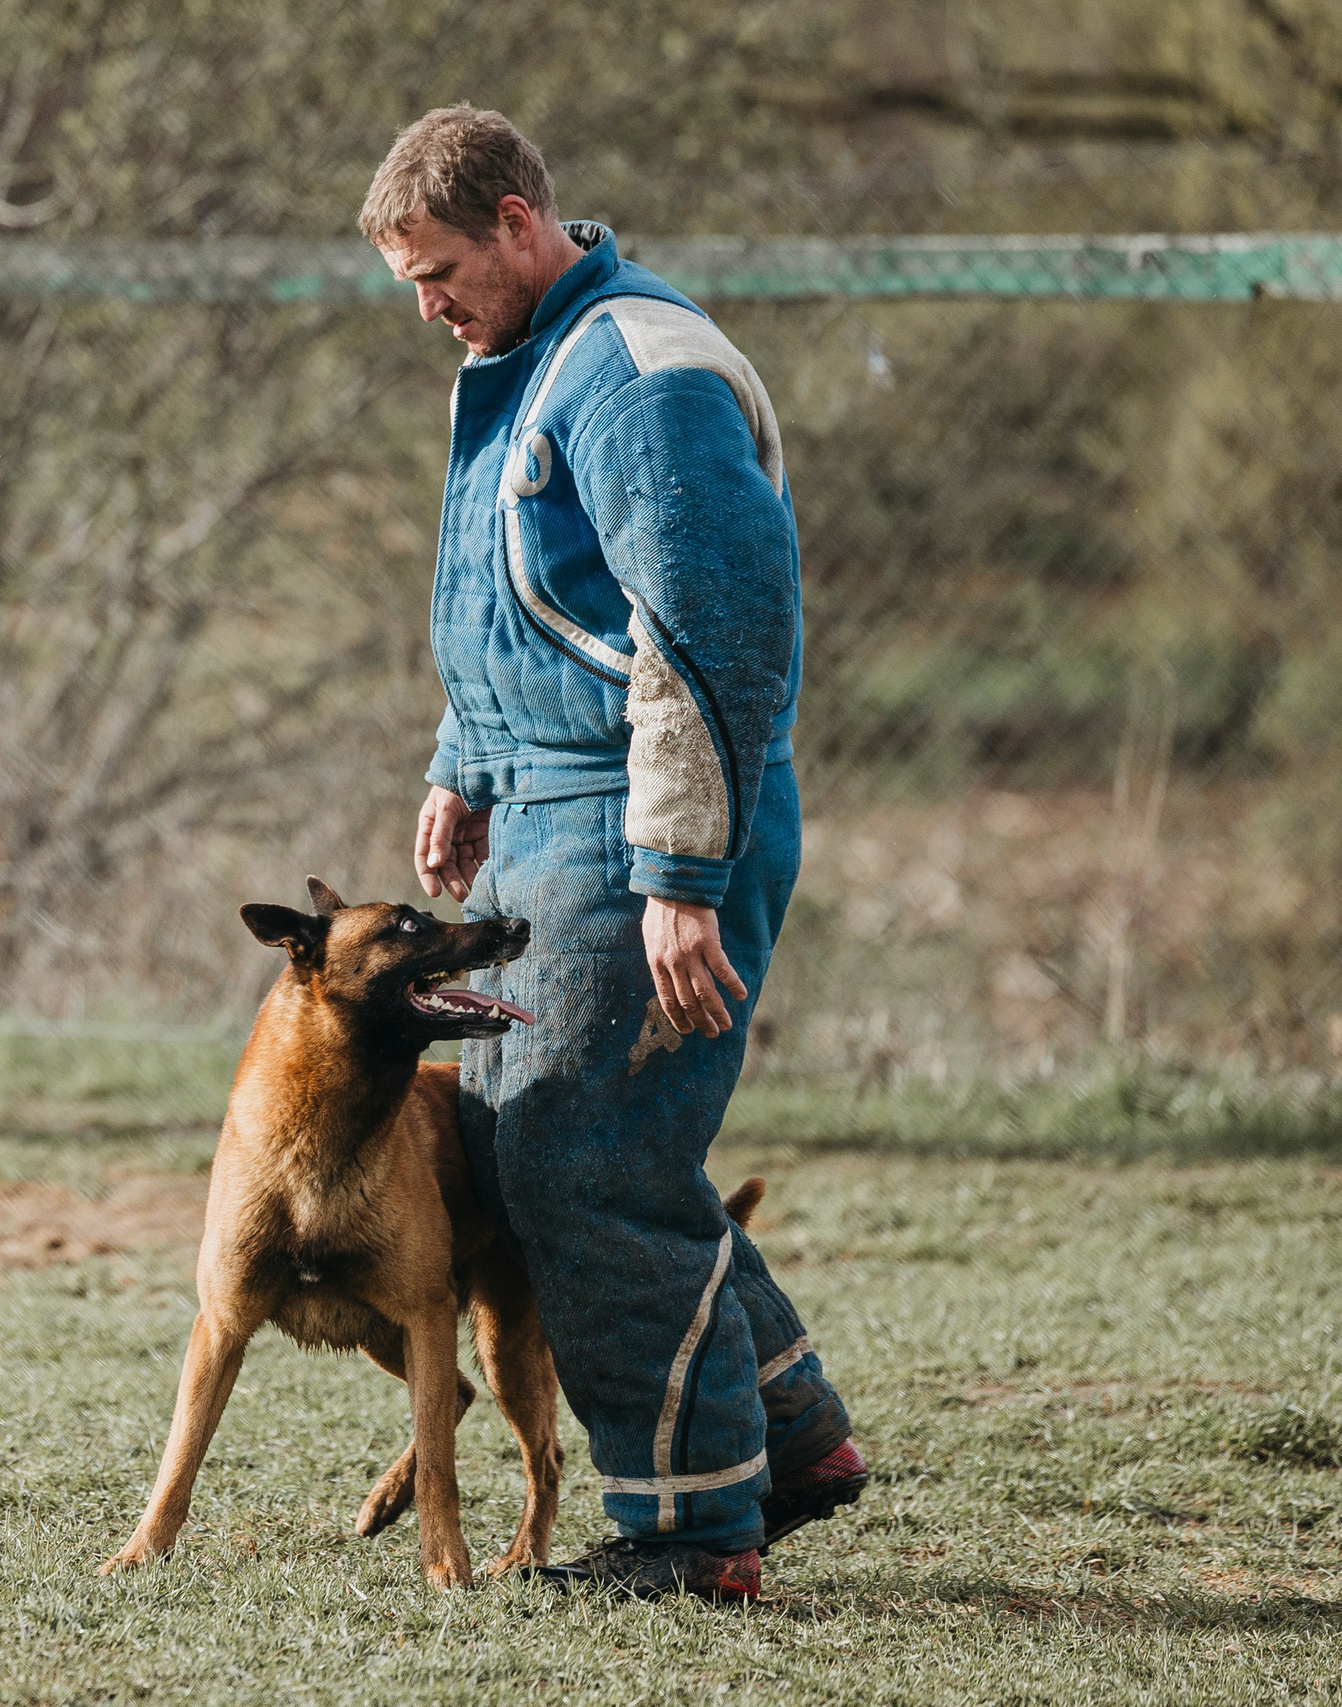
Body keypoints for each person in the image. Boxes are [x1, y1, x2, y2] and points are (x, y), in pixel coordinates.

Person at [361, 105, 865, 1601]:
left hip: (639, 822)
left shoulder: (640, 371)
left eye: (442, 268)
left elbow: (712, 639)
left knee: (590, 1162)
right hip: (548, 806)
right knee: (543, 1156)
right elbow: (518, 600)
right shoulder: (520, 358)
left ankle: (696, 1533)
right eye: (409, 280)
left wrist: (680, 879)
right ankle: (787, 1429)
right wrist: (466, 763)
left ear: (521, 220)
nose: (428, 304)